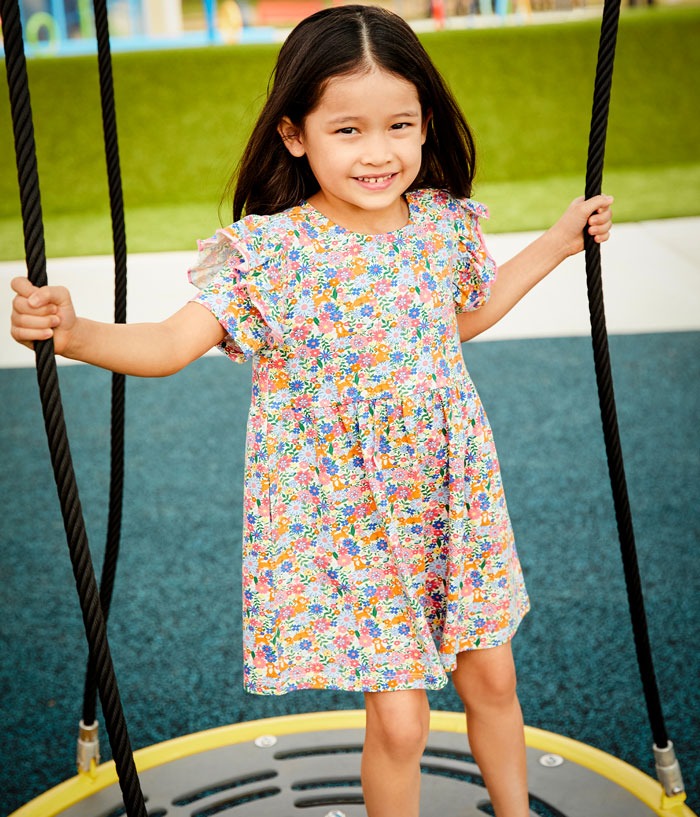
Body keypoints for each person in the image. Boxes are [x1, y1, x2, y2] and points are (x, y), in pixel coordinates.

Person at [10, 6, 612, 816]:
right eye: (348, 130)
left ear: (426, 124)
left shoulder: (440, 225)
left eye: (399, 125)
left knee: (494, 677)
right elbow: (169, 344)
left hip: (451, 494)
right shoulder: (272, 254)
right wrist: (75, 332)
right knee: (400, 720)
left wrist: (560, 241)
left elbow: (461, 316)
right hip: (351, 514)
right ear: (295, 135)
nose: (379, 152)